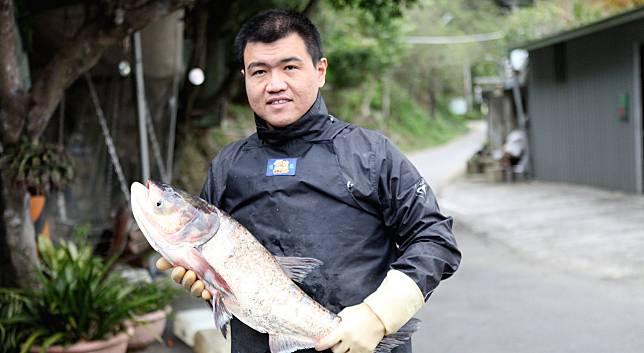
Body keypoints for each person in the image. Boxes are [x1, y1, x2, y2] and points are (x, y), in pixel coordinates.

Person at [156, 9, 461, 353]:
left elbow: (434, 239)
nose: (274, 85)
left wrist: (379, 316)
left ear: (320, 71)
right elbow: (214, 261)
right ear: (245, 78)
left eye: (290, 67)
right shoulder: (228, 165)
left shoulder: (371, 153)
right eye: (259, 71)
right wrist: (206, 282)